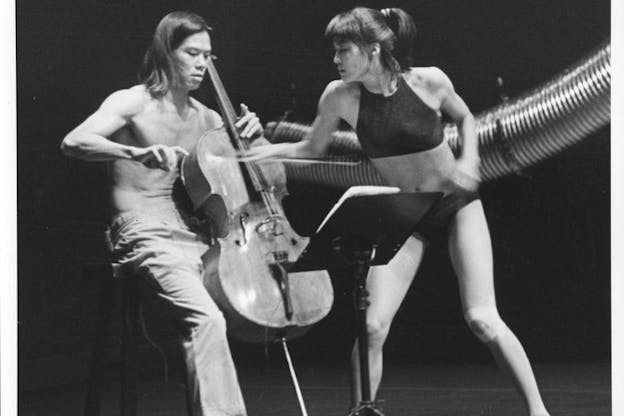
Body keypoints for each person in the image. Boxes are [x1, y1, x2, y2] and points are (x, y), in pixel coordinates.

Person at [243, 7, 550, 416]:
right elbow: (309, 150)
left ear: (373, 49)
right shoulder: (340, 96)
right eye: (334, 51)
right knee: (371, 326)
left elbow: (465, 117)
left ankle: (538, 411)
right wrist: (254, 153)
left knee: (482, 318)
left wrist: (470, 160)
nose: (335, 59)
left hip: (457, 207)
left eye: (343, 50)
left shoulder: (429, 81)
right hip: (407, 213)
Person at [61, 11, 263, 416]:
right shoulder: (133, 102)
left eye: (208, 55)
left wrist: (255, 140)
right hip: (142, 229)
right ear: (166, 53)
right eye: (192, 53)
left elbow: (238, 185)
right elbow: (74, 141)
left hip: (195, 236)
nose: (202, 63)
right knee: (207, 320)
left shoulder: (209, 120)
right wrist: (133, 152)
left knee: (219, 322)